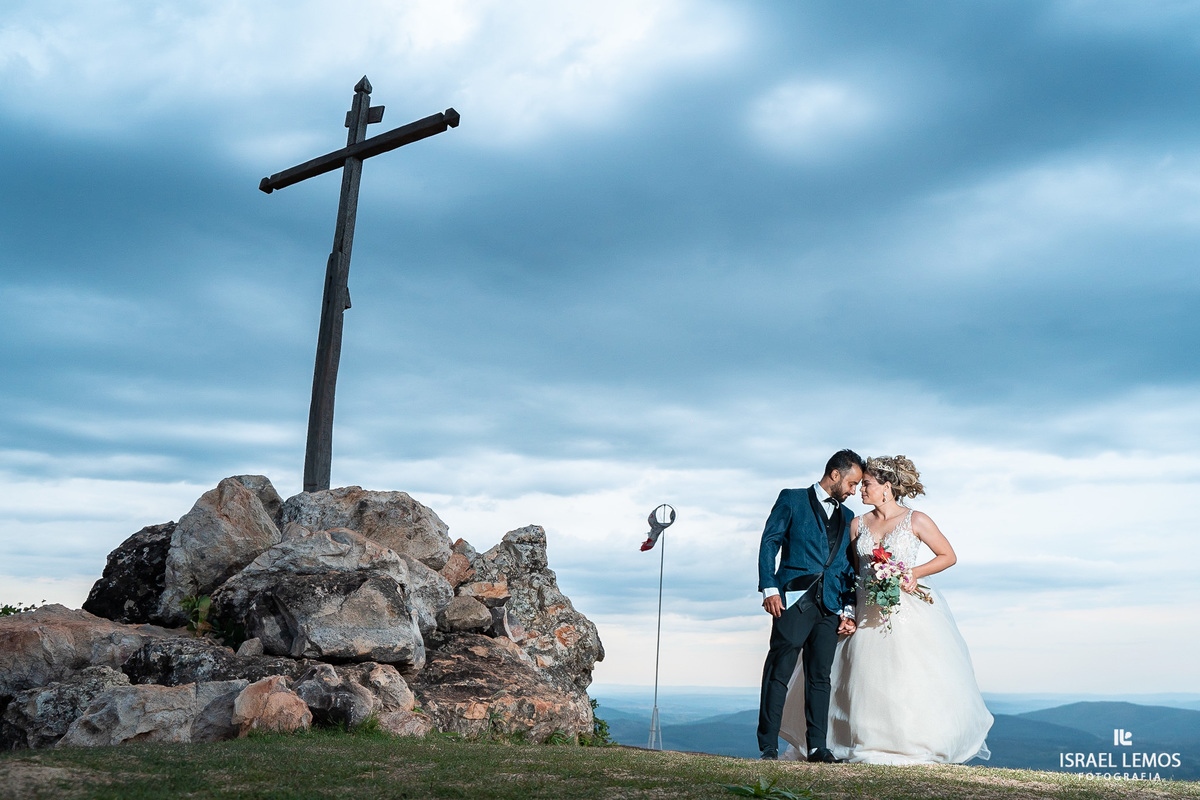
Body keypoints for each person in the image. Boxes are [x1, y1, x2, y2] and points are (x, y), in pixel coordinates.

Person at [780, 455, 992, 764]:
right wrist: (848, 611)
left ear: (886, 487)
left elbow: (948, 555)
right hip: (865, 606)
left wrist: (912, 574)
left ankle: (906, 741)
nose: (860, 490)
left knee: (904, 674)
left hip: (903, 609)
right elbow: (849, 571)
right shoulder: (856, 524)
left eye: (866, 484)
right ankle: (849, 739)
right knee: (853, 676)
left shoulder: (916, 520)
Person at [756, 449, 864, 762]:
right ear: (835, 475)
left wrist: (847, 608)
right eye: (852, 483)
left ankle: (817, 746)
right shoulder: (791, 499)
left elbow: (846, 567)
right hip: (792, 602)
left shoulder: (847, 518)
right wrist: (769, 587)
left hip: (830, 606)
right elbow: (769, 542)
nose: (854, 491)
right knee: (779, 673)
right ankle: (768, 747)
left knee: (820, 678)